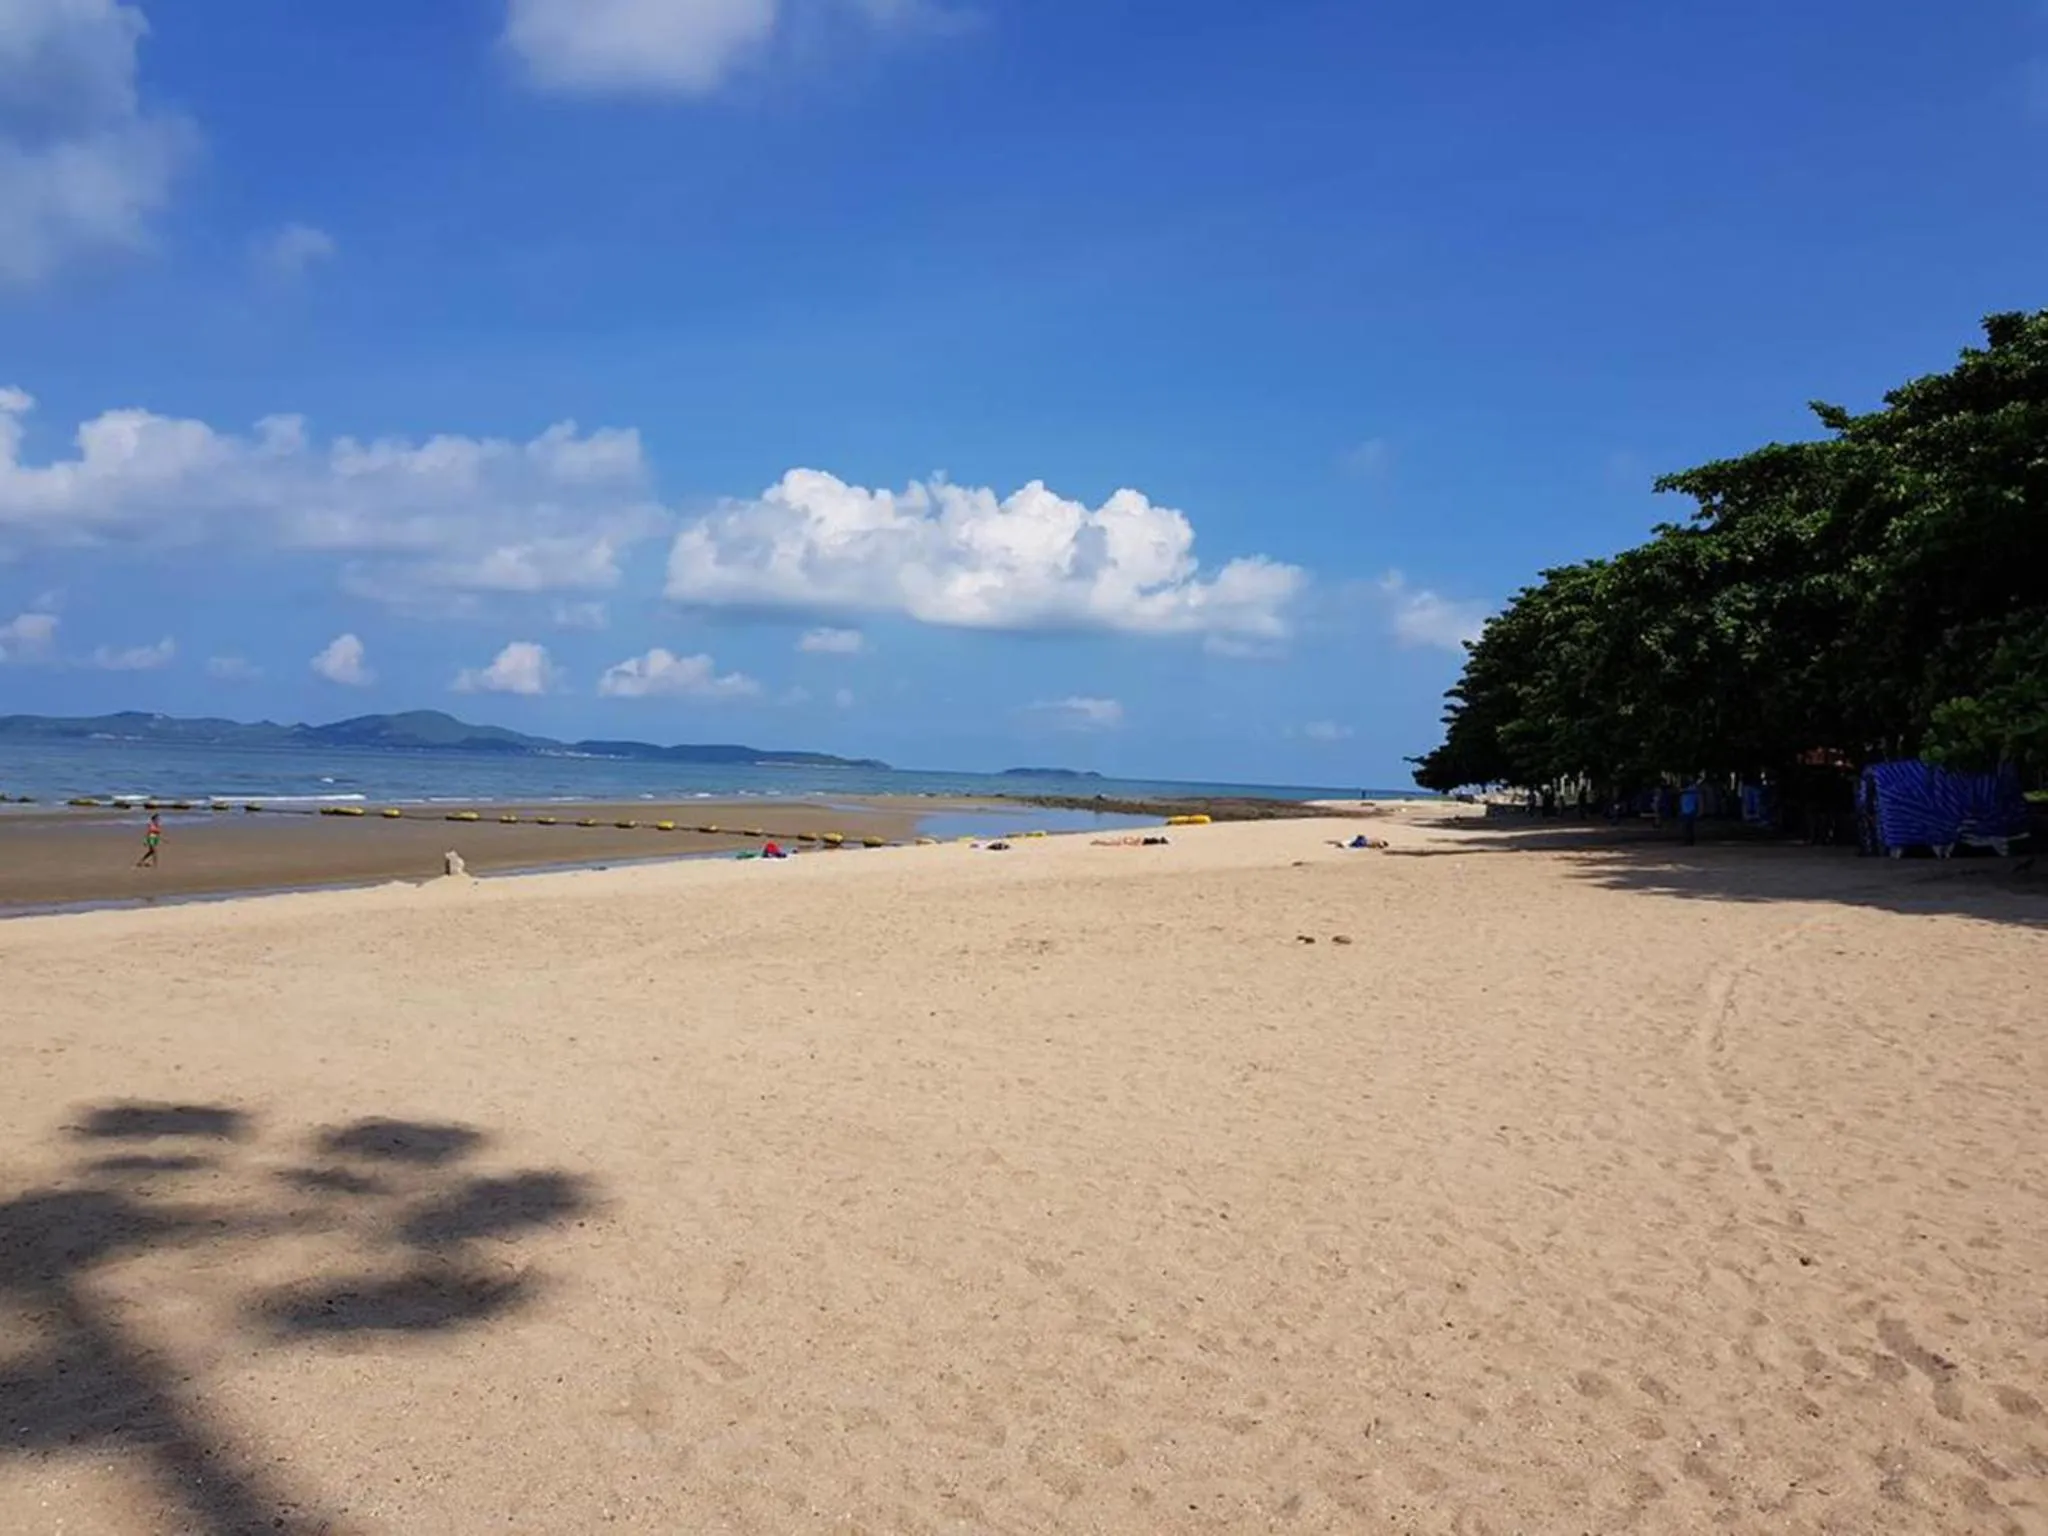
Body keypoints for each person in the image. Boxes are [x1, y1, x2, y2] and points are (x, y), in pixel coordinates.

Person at [1679, 781, 1701, 846]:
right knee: (1689, 827)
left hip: (1688, 810)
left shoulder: (1688, 791)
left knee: (1687, 827)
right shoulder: (1693, 791)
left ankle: (1688, 840)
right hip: (1690, 810)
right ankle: (1689, 840)